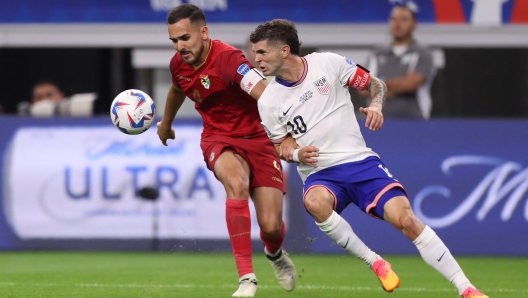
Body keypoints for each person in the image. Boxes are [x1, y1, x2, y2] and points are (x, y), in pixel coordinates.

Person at [252, 19, 488, 298]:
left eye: (262, 53)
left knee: (408, 221)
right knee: (314, 202)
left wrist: (376, 104)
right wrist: (297, 153)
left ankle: (467, 289)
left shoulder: (327, 63)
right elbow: (282, 145)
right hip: (321, 174)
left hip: (360, 163)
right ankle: (375, 262)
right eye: (255, 53)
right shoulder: (269, 100)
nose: (256, 60)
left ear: (284, 50)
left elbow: (375, 84)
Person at [156, 4, 296, 297]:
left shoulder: (229, 60)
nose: (179, 47)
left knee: (270, 226)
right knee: (237, 183)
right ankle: (247, 278)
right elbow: (177, 89)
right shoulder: (178, 65)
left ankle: (275, 253)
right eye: (174, 41)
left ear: (203, 33)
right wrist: (166, 125)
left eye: (185, 38)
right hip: (218, 138)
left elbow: (266, 95)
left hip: (258, 137)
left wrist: (287, 134)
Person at [362, 4, 435, 119]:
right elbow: (363, 87)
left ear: (414, 24)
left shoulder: (423, 54)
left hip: (414, 122)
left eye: (404, 19)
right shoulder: (376, 54)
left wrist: (379, 84)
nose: (397, 24)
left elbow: (410, 84)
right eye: (394, 19)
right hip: (378, 123)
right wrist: (400, 84)